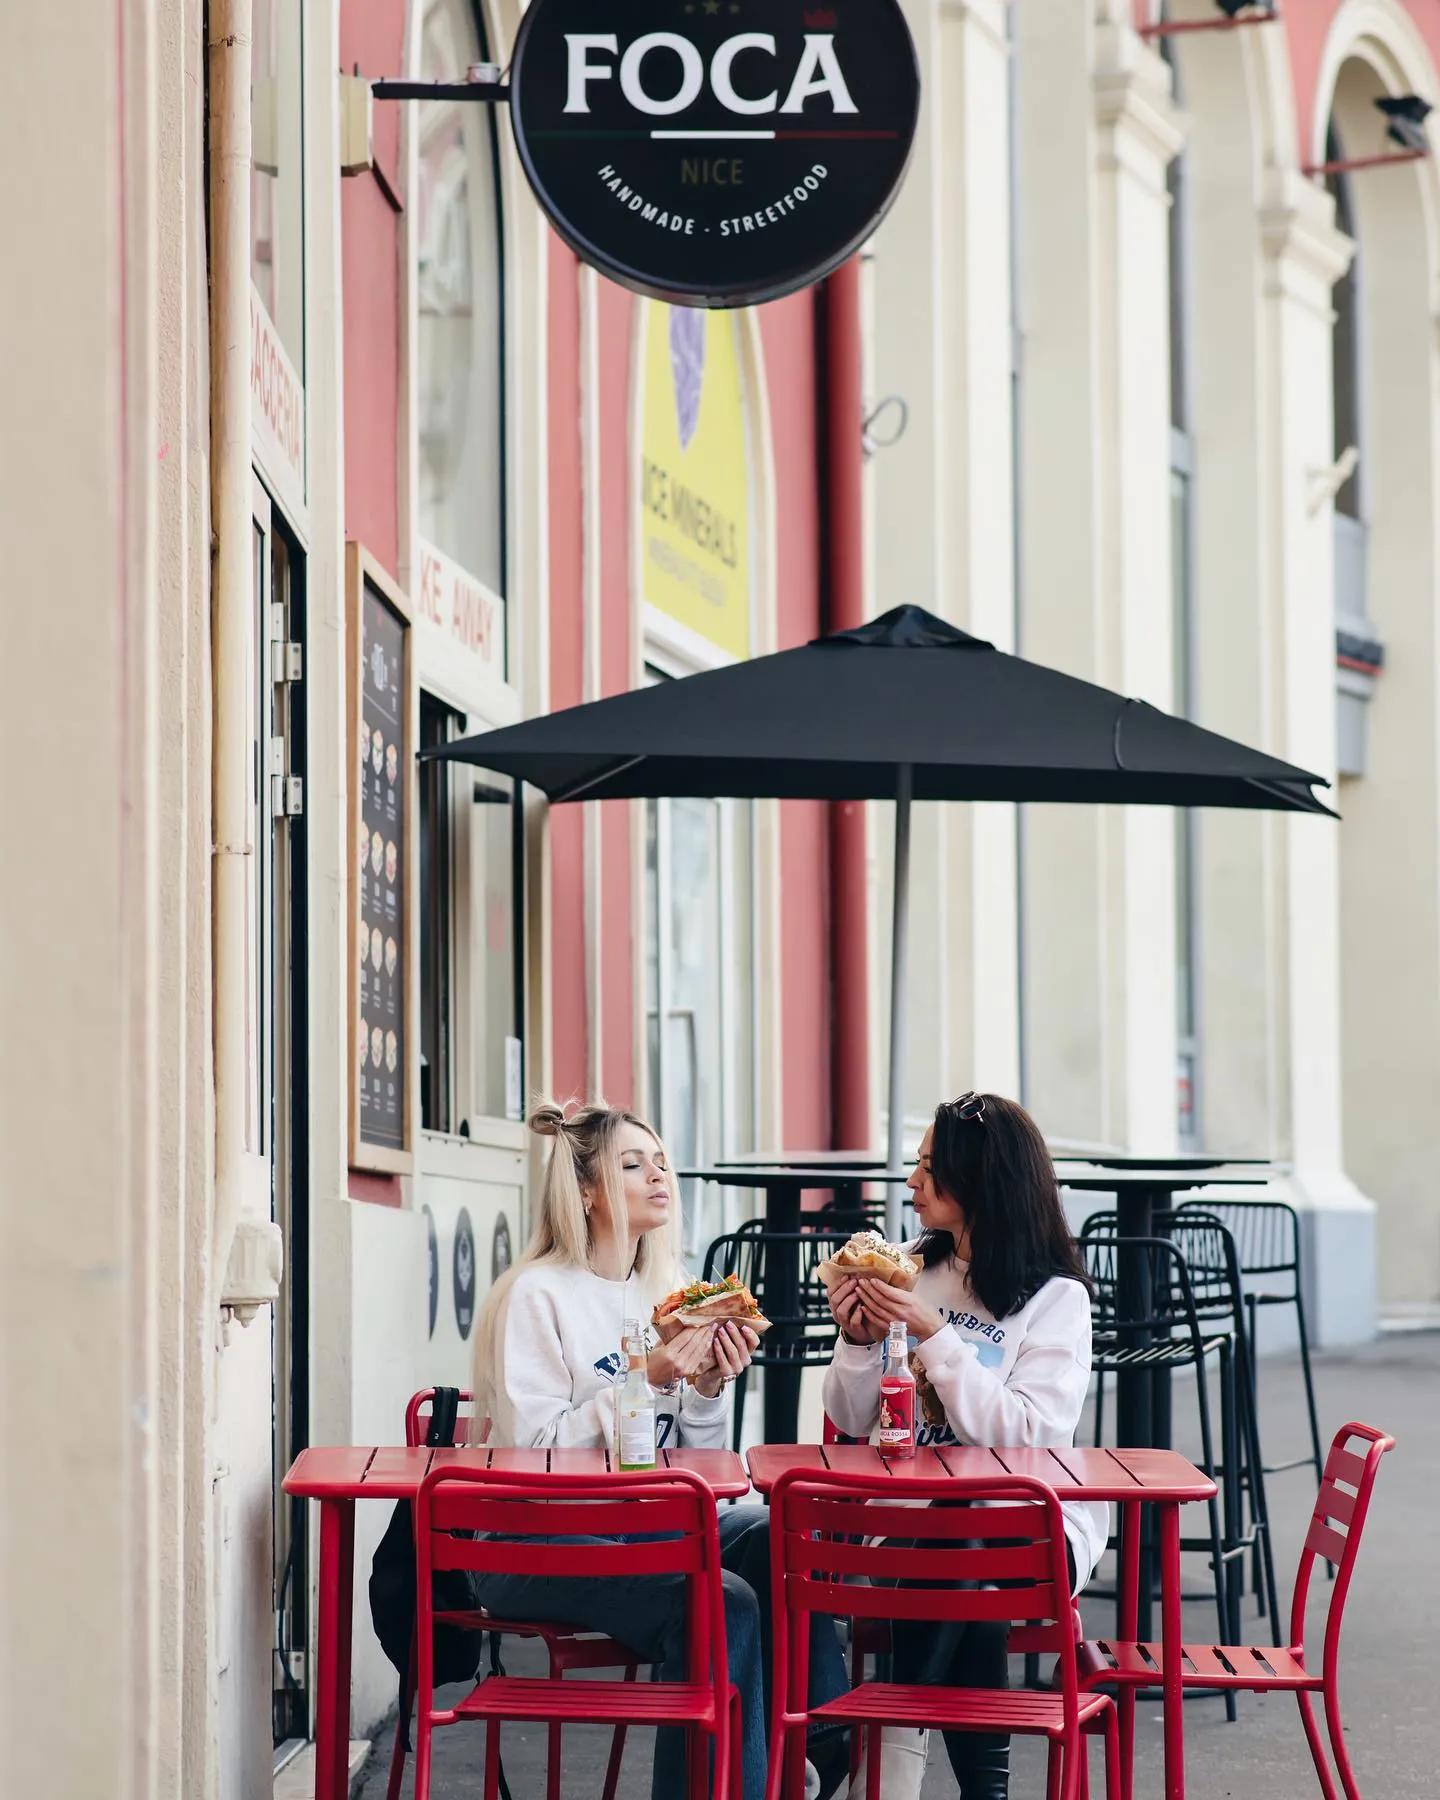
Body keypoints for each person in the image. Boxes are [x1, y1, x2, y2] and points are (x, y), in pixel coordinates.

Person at [473, 1100, 848, 1800]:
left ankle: (817, 1742)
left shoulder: (669, 1294)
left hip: (643, 1521)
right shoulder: (536, 1295)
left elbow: (700, 1468)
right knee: (723, 1602)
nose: (658, 1175)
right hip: (532, 1537)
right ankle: (742, 1781)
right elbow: (536, 1454)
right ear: (585, 1192)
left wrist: (706, 1385)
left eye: (662, 1161)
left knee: (779, 1535)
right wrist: (647, 1378)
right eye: (632, 1163)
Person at [822, 1092, 1106, 1800]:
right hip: (916, 1522)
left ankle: (888, 1759)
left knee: (969, 1535)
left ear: (979, 1178)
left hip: (1037, 1525)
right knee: (960, 1560)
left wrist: (935, 1335)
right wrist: (859, 1344)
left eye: (930, 1167)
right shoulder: (913, 1263)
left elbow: (1027, 1438)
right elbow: (853, 1417)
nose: (912, 1183)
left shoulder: (1056, 1299)